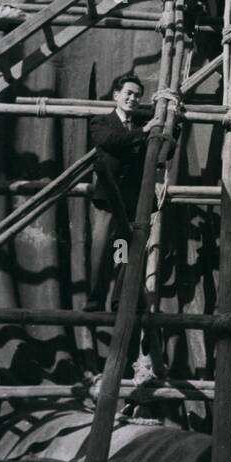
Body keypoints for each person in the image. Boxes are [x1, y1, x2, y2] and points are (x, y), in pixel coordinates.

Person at [85, 73, 156, 312]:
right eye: (128, 93)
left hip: (132, 199)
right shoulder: (101, 123)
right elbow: (112, 141)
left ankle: (118, 300)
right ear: (116, 95)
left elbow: (162, 153)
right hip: (108, 198)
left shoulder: (143, 126)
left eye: (137, 96)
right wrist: (143, 131)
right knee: (101, 250)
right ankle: (96, 299)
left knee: (126, 251)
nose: (133, 99)